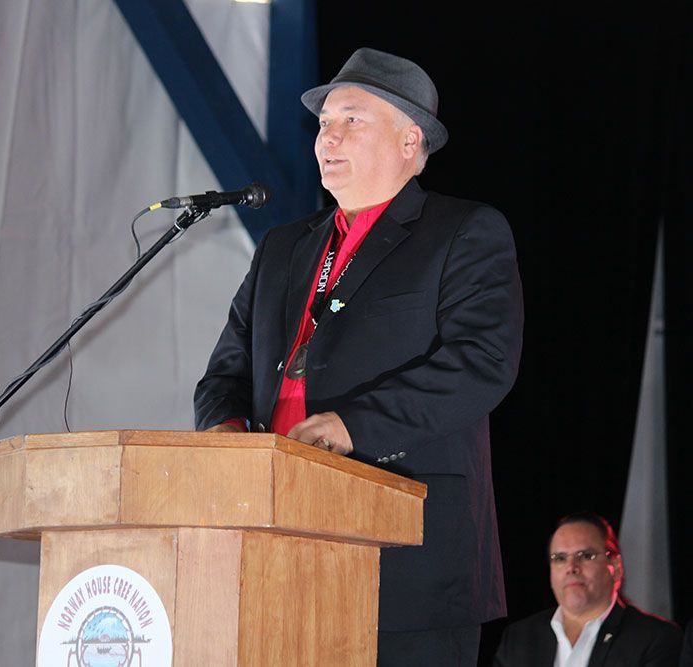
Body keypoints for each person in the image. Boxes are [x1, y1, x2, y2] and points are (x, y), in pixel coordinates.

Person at [194, 47, 524, 666]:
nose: (328, 137)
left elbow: (482, 362)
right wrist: (225, 433)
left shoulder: (463, 232)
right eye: (323, 124)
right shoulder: (283, 247)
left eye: (351, 120)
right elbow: (226, 371)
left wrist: (352, 426)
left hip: (407, 559)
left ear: (410, 138)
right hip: (272, 546)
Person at [493, 512, 683, 666]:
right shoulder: (519, 638)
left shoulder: (655, 639)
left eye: (585, 556)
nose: (571, 567)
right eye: (560, 558)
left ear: (615, 567)